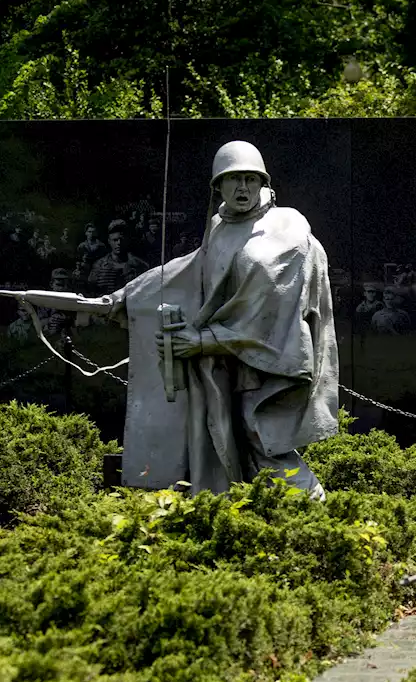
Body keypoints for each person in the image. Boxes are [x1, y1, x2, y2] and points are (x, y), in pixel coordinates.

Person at [0, 140, 339, 498]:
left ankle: (311, 509)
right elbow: (191, 268)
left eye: (251, 179)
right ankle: (249, 512)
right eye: (234, 179)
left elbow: (269, 301)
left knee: (262, 435)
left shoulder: (285, 228)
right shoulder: (222, 224)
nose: (243, 188)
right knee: (233, 436)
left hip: (271, 360)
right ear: (218, 187)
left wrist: (203, 341)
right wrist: (122, 298)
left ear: (263, 182)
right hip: (229, 360)